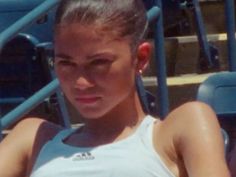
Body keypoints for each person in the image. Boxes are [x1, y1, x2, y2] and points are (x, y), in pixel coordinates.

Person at [0, 0, 230, 176]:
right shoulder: (33, 137)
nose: (81, 82)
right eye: (66, 63)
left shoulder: (180, 127)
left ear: (140, 58)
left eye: (99, 63)